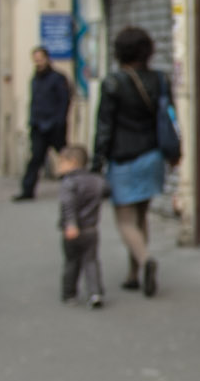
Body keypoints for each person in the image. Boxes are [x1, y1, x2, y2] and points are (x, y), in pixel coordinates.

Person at [91, 26, 174, 298]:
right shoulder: (160, 79)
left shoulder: (113, 83)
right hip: (152, 155)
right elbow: (169, 118)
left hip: (124, 158)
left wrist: (96, 162)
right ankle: (133, 274)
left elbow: (104, 126)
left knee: (126, 221)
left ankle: (146, 259)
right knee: (141, 216)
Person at [15, 47, 73, 202]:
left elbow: (64, 102)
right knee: (35, 158)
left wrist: (59, 122)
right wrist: (32, 121)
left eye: (40, 58)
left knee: (64, 157)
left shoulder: (57, 78)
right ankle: (27, 190)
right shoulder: (35, 78)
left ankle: (75, 186)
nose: (38, 62)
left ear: (47, 58)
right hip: (38, 125)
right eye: (36, 59)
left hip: (54, 126)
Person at [55, 144, 108, 308]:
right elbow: (107, 190)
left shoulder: (69, 182)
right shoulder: (96, 181)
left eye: (61, 163)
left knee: (72, 262)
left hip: (74, 229)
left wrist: (71, 224)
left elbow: (68, 205)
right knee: (91, 261)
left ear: (72, 162)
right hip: (91, 229)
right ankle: (95, 293)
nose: (58, 167)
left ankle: (69, 293)